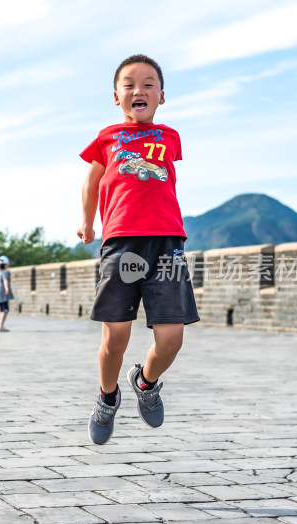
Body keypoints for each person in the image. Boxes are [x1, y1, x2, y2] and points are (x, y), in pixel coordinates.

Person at [76, 54, 199, 445]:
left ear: (162, 96)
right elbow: (91, 182)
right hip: (121, 240)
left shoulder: (170, 137)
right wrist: (87, 221)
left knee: (172, 339)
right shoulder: (108, 137)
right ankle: (107, 397)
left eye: (148, 84)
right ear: (117, 96)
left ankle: (145, 383)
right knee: (115, 337)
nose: (139, 90)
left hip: (167, 241)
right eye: (129, 84)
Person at [0, 255, 13, 332]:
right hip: (3, 292)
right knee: (5, 309)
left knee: (0, 309)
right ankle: (1, 325)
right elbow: (5, 280)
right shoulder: (4, 272)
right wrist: (7, 288)